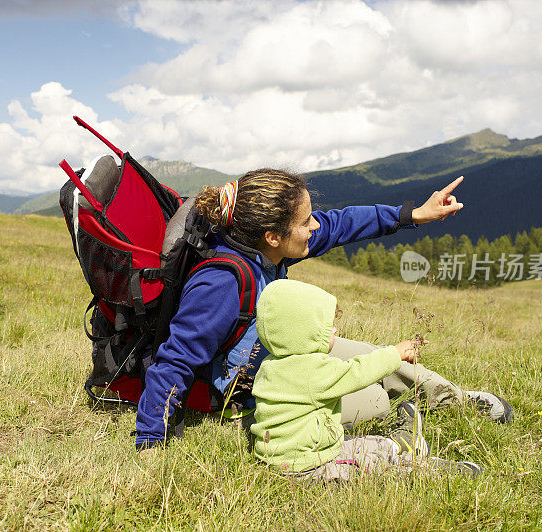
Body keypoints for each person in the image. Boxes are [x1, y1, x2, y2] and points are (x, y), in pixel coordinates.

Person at [134, 169, 511, 451]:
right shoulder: (220, 283)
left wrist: (411, 215)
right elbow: (176, 359)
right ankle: (396, 430)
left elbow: (341, 224)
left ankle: (456, 400)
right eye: (305, 221)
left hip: (287, 356)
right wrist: (150, 441)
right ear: (274, 236)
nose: (316, 225)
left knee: (377, 358)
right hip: (263, 393)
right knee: (376, 399)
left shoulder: (269, 246)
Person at [250, 279, 481, 479]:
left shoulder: (271, 365)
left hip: (288, 457)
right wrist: (395, 353)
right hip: (309, 469)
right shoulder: (312, 371)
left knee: (361, 445)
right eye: (327, 328)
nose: (335, 331)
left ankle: (401, 443)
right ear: (302, 330)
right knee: (376, 469)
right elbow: (359, 372)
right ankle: (423, 471)